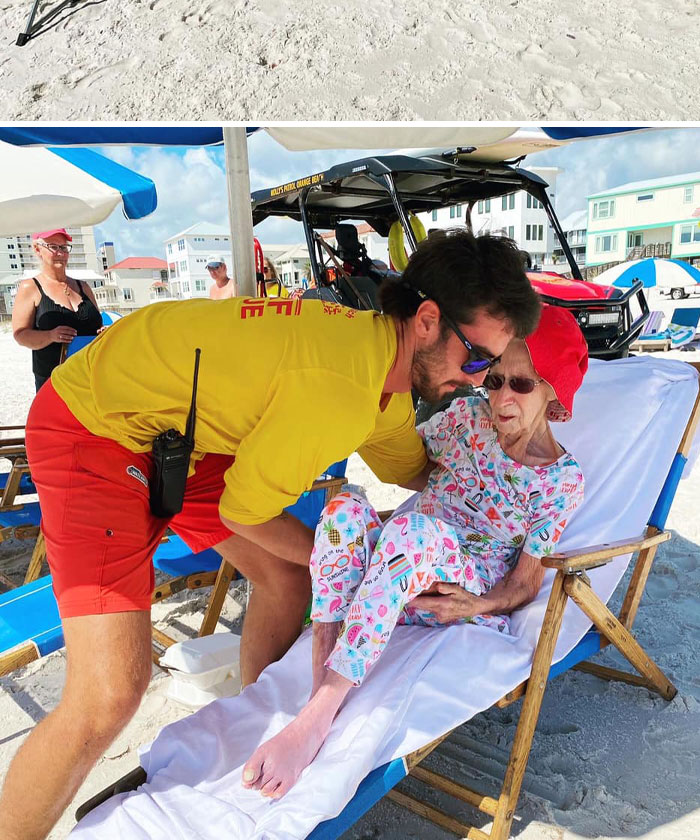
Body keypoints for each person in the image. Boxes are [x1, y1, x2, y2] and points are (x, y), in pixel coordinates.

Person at [0, 231, 540, 840]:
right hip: (93, 424)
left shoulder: (382, 376)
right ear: (427, 320)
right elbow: (245, 512)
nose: (477, 382)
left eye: (493, 369)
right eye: (475, 361)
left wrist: (516, 468)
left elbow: (418, 471)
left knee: (286, 577)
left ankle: (256, 720)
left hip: (179, 432)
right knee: (109, 694)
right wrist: (348, 563)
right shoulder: (339, 387)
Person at [242, 303, 586, 799]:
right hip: (395, 570)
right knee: (343, 511)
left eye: (522, 383)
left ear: (553, 392)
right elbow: (399, 452)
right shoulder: (467, 418)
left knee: (410, 534)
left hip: (452, 586)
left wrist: (478, 604)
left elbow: (526, 582)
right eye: (494, 381)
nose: (502, 397)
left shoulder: (559, 480)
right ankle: (323, 678)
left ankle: (318, 716)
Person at [11, 229, 102, 393]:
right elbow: (20, 335)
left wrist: (103, 333)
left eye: (64, 247)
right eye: (53, 247)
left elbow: (97, 326)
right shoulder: (30, 287)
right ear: (37, 249)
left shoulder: (84, 287)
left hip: (91, 377)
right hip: (53, 381)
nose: (60, 253)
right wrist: (50, 336)